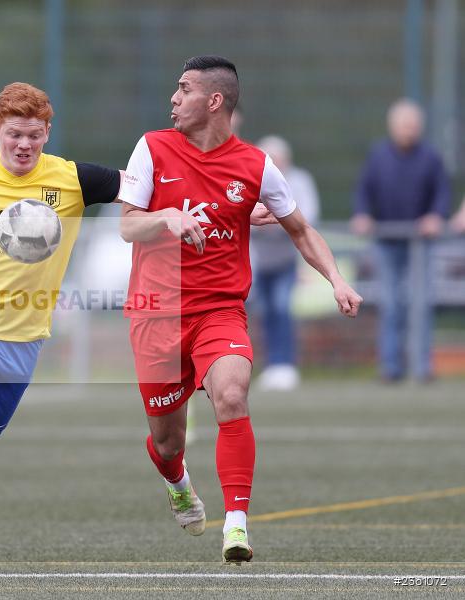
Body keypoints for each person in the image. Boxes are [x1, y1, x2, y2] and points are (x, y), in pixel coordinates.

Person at [0, 81, 282, 570]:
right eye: (15, 134)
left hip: (19, 344)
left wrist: (234, 206)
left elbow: (150, 186)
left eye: (35, 135)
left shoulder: (73, 179)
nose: (24, 145)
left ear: (47, 134)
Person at [119, 56, 361, 563]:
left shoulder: (256, 165)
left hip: (219, 310)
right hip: (156, 315)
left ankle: (236, 524)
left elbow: (301, 230)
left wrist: (337, 279)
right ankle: (178, 483)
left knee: (231, 394)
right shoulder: (152, 147)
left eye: (183, 89)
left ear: (214, 101)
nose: (173, 99)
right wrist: (166, 217)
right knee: (167, 442)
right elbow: (128, 225)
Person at [351, 99, 451, 382]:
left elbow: (442, 192)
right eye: (404, 125)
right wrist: (362, 214)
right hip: (387, 241)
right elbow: (363, 190)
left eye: (413, 125)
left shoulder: (431, 157)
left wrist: (435, 216)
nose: (409, 130)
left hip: (420, 244)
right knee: (390, 304)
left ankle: (422, 367)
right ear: (392, 126)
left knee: (421, 305)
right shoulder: (378, 156)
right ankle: (391, 367)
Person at [250, 136, 321, 390]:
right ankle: (272, 365)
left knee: (282, 308)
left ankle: (285, 364)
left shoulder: (299, 181)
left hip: (287, 259)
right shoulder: (251, 180)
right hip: (258, 261)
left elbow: (307, 216)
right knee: (265, 312)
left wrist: (278, 222)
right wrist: (262, 224)